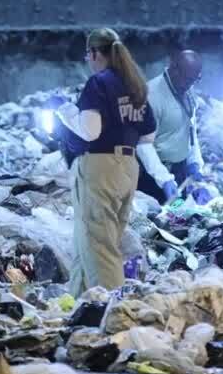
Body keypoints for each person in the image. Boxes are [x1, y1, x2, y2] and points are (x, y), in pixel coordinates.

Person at [55, 28, 156, 296]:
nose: (88, 60)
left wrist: (65, 113)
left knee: (99, 246)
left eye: (88, 54)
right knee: (87, 242)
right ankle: (79, 306)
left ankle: (114, 312)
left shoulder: (99, 83)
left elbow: (91, 131)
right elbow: (148, 135)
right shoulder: (135, 85)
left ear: (96, 53)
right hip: (128, 167)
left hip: (99, 167)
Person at [137, 49, 205, 203]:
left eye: (194, 80)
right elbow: (143, 145)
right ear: (173, 68)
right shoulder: (151, 96)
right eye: (187, 79)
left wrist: (194, 162)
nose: (189, 85)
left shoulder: (187, 90)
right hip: (153, 176)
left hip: (179, 171)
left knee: (180, 221)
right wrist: (164, 179)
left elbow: (190, 129)